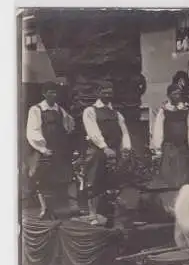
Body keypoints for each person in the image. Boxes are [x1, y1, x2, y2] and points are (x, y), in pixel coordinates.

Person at [82, 82, 132, 224]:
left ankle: (110, 214)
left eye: (110, 91)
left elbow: (124, 132)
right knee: (94, 181)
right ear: (98, 92)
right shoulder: (90, 111)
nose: (108, 94)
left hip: (114, 151)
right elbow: (93, 131)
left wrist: (126, 148)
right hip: (98, 150)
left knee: (114, 182)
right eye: (104, 91)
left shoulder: (116, 113)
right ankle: (93, 214)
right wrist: (104, 147)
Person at [26, 81, 75, 218]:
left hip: (58, 149)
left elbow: (69, 125)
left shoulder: (60, 110)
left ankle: (56, 209)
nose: (53, 95)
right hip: (43, 150)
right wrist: (43, 148)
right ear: (44, 93)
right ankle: (44, 209)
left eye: (55, 92)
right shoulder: (36, 110)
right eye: (50, 92)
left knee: (58, 179)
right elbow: (33, 131)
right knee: (42, 179)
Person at [151, 84, 189, 188]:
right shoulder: (164, 111)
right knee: (169, 174)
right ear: (169, 95)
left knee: (184, 175)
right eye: (174, 94)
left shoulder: (186, 110)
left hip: (183, 149)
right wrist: (157, 147)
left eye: (179, 94)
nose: (177, 96)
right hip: (169, 148)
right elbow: (158, 129)